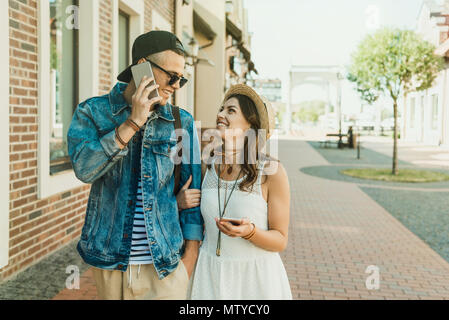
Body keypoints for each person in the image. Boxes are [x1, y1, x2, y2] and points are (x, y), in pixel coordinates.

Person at [67, 30, 203, 300]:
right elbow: (84, 168)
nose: (176, 86)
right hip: (110, 262)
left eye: (182, 79)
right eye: (171, 76)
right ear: (142, 67)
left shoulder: (181, 122)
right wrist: (132, 122)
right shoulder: (92, 112)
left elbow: (194, 193)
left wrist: (190, 258)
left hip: (165, 265)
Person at [183, 84, 292, 299]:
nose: (220, 114)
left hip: (254, 280)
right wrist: (178, 202)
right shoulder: (207, 165)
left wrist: (250, 232)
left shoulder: (272, 172)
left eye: (230, 111)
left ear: (250, 124)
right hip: (209, 274)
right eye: (222, 109)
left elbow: (280, 239)